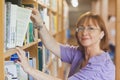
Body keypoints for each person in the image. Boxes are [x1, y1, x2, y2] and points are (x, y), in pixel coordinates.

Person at [16, 9, 115, 80]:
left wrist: (29, 69)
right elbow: (52, 45)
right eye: (81, 28)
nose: (84, 33)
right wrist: (40, 24)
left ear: (102, 34)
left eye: (91, 28)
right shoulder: (79, 53)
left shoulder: (101, 65)